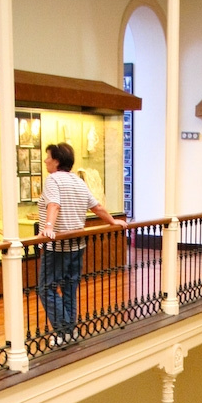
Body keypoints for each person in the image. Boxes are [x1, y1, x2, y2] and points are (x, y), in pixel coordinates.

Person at [38, 142, 126, 342]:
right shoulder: (78, 181)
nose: (45, 160)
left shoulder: (53, 180)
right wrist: (112, 221)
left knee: (46, 288)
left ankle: (64, 332)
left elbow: (54, 204)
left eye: (48, 157)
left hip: (57, 246)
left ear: (57, 161)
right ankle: (70, 331)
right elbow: (96, 207)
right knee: (69, 288)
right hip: (77, 245)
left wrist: (49, 226)